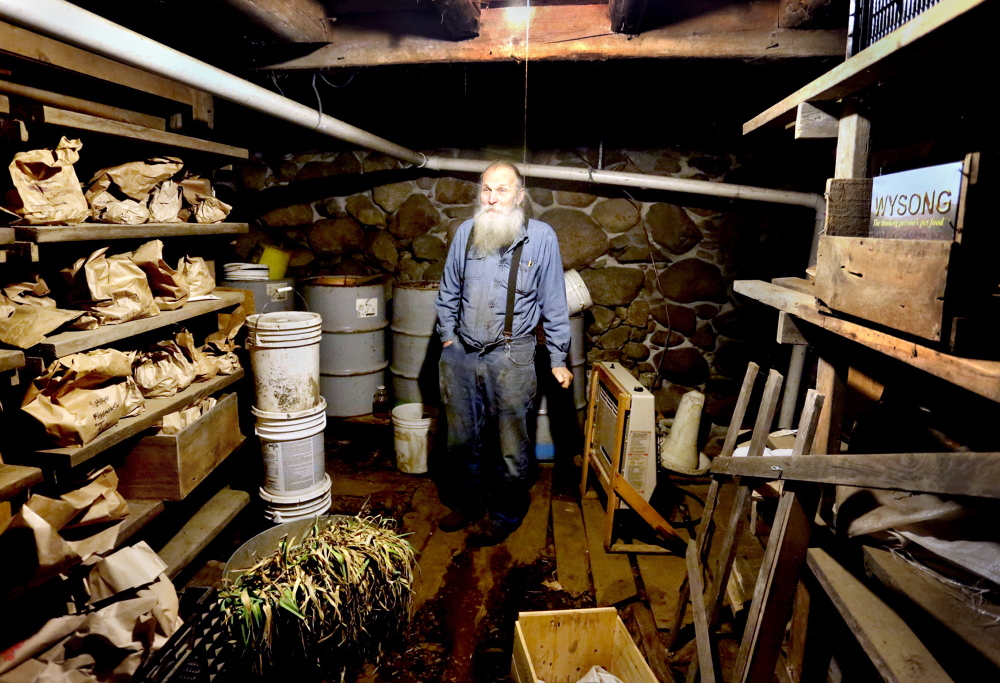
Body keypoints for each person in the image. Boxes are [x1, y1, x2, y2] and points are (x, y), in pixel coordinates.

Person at [434, 161, 573, 547]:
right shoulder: (466, 232)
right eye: (486, 190)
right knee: (461, 440)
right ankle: (470, 504)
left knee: (511, 445)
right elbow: (448, 291)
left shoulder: (541, 237)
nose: (493, 198)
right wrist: (448, 338)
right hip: (461, 353)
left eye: (503, 190)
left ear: (520, 196)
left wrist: (559, 358)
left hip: (512, 355)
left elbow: (554, 302)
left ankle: (505, 514)